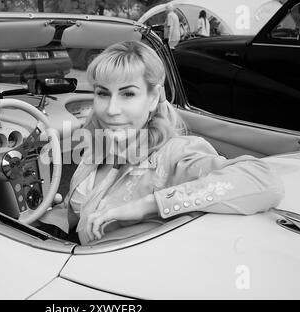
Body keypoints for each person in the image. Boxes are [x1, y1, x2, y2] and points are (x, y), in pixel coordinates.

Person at [42, 41, 284, 245]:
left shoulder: (176, 153)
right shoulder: (96, 147)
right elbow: (81, 214)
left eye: (128, 94)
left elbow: (263, 181)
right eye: (103, 93)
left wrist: (147, 205)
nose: (111, 110)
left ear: (153, 98)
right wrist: (48, 220)